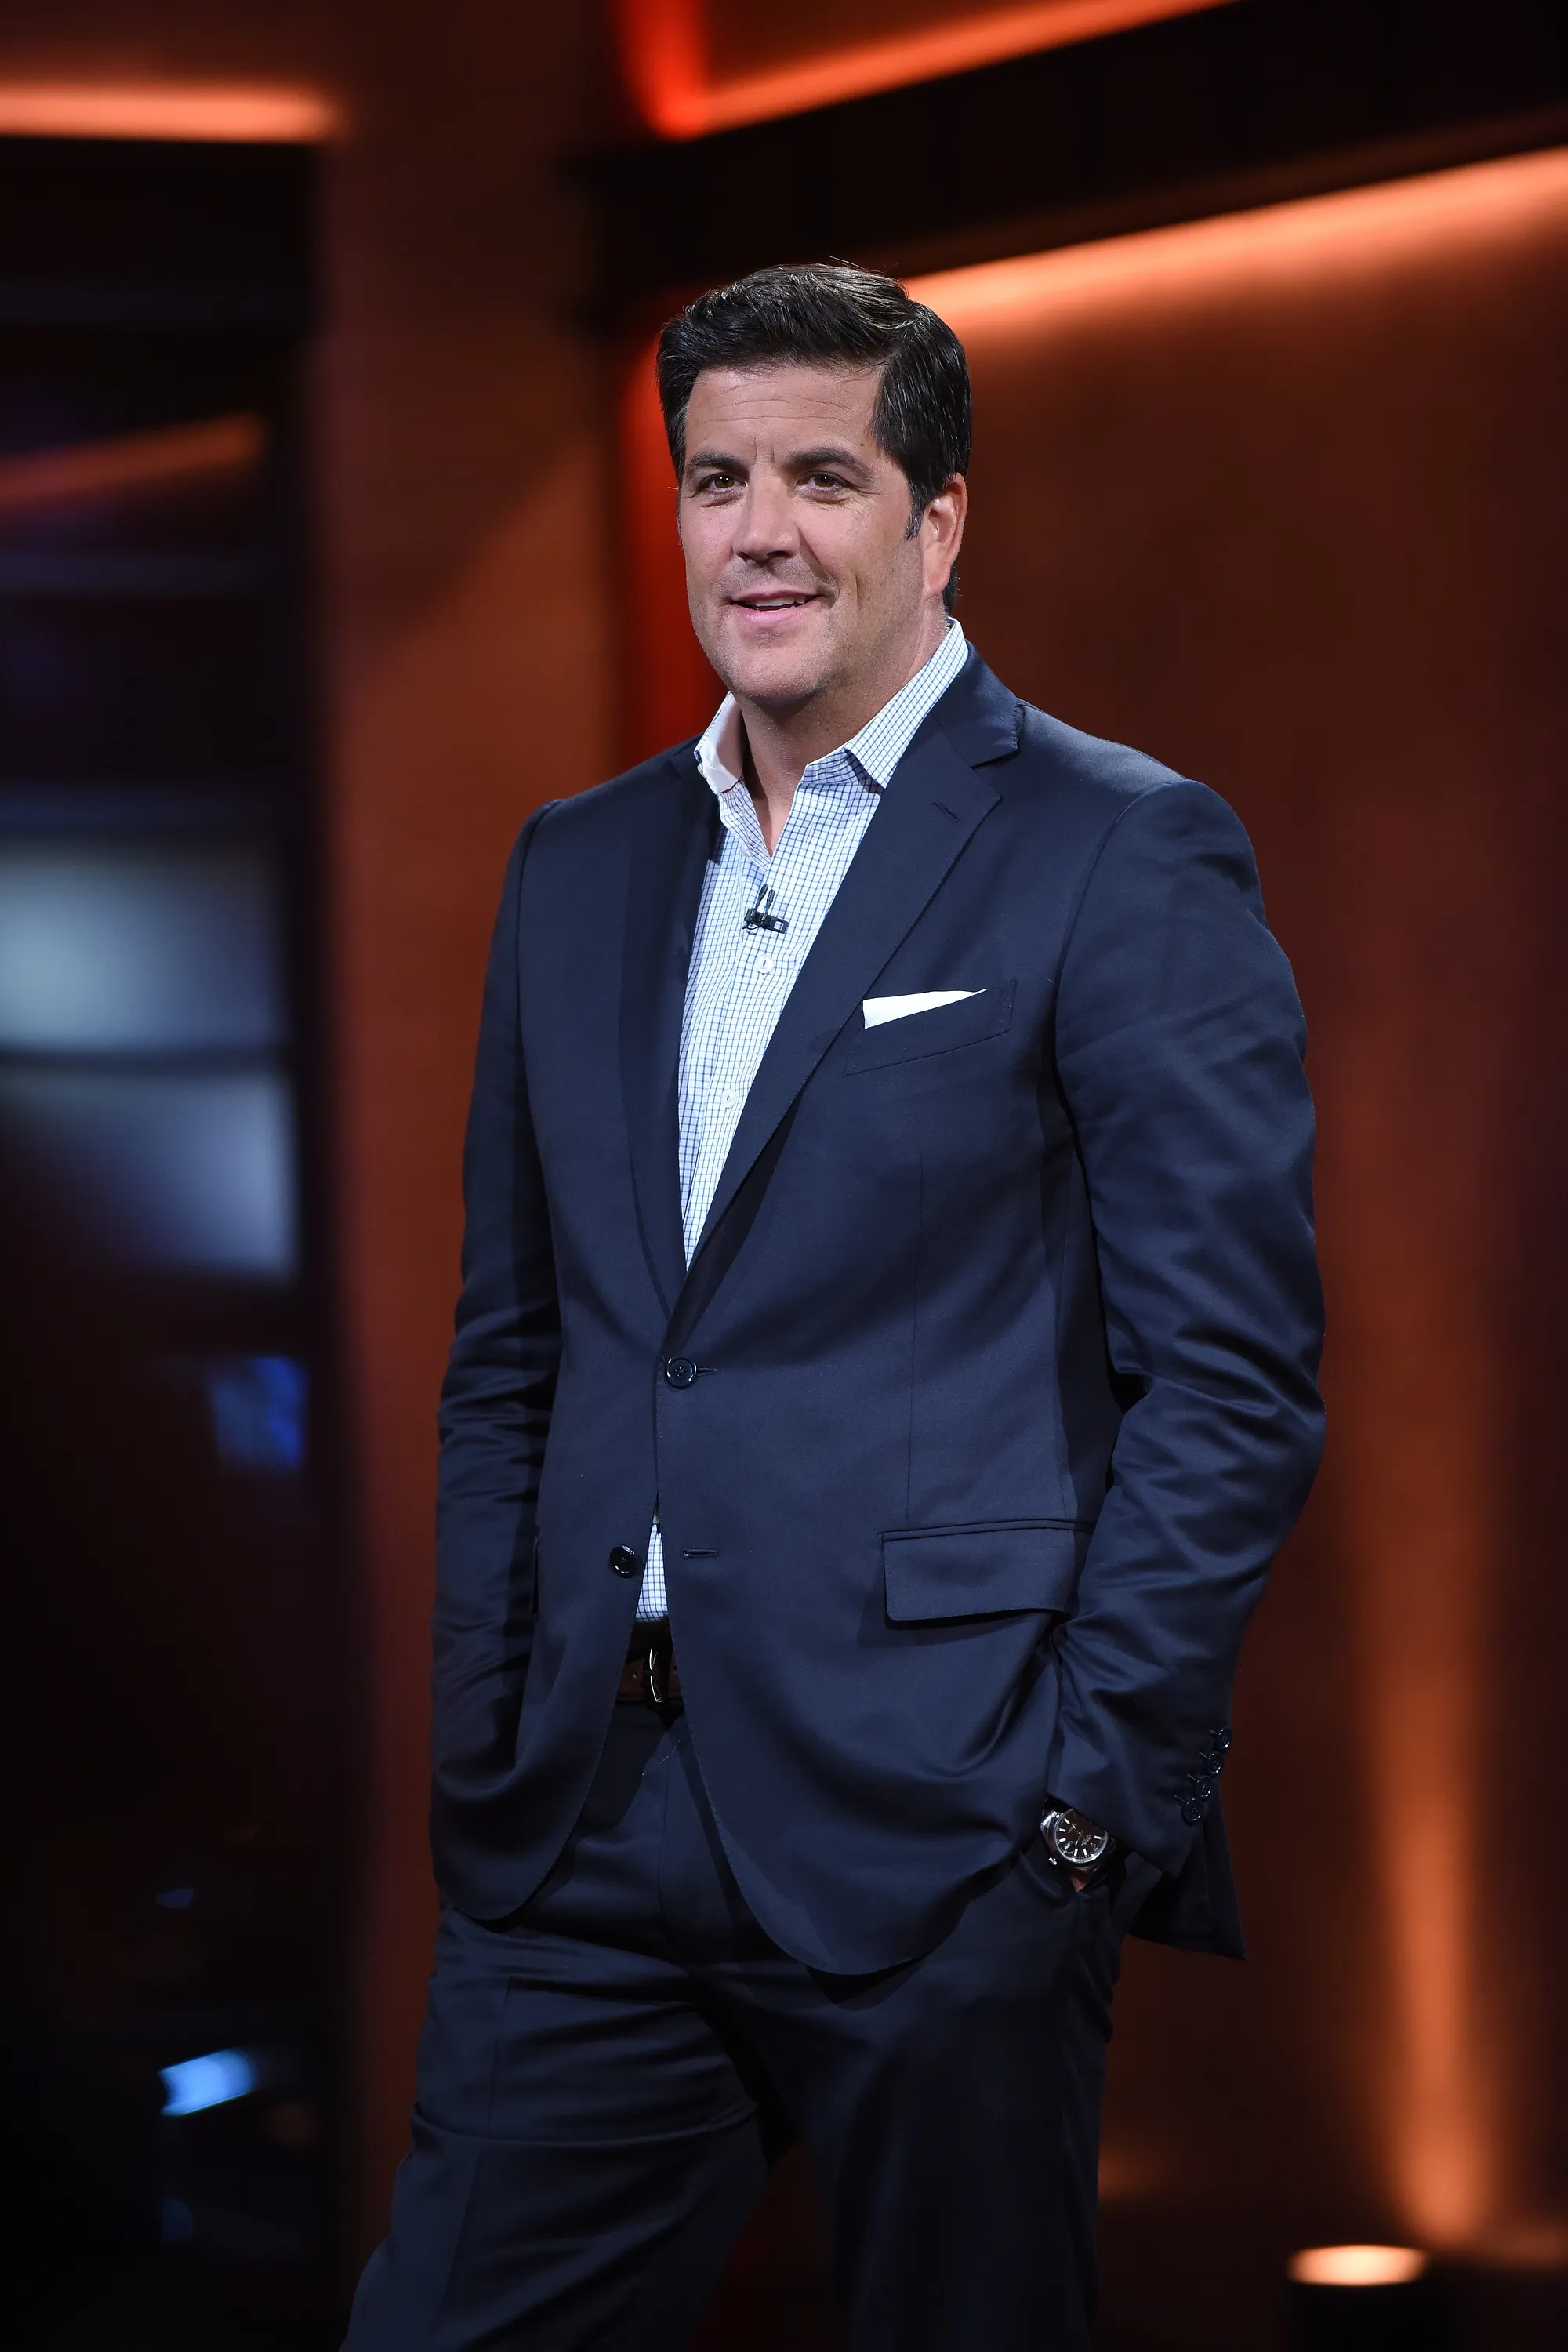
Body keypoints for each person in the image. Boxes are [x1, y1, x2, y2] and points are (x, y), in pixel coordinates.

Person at [344, 262, 1324, 2352]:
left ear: (936, 518)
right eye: (715, 480)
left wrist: (1078, 1818)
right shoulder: (576, 864)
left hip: (949, 1825)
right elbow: (513, 1355)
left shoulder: (1119, 850)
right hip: (582, 1828)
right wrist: (485, 1732)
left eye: (821, 475)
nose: (759, 531)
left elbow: (1230, 1382)